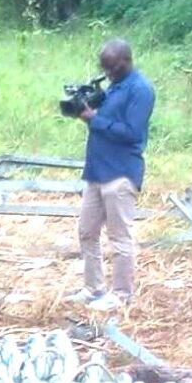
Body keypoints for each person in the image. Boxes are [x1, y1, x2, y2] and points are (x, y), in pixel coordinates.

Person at [66, 39, 155, 312]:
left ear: (126, 61)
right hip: (97, 171)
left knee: (120, 237)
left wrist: (95, 119)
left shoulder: (140, 89)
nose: (108, 72)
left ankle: (121, 294)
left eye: (112, 67)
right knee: (87, 231)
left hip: (121, 172)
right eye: (104, 67)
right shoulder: (113, 85)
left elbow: (132, 132)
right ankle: (93, 287)